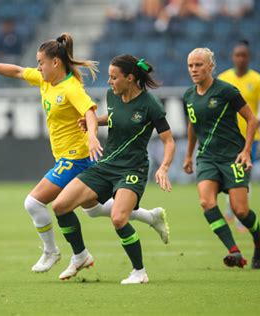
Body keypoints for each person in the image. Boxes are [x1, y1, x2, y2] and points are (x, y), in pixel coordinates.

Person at [0, 34, 170, 274]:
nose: (38, 67)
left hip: (78, 157)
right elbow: (17, 71)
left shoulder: (71, 87)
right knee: (92, 209)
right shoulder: (46, 81)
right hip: (67, 156)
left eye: (41, 62)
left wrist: (92, 135)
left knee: (34, 202)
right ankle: (150, 217)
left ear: (55, 63)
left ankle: (53, 252)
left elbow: (90, 112)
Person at [52, 55, 175, 284]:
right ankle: (80, 256)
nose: (109, 82)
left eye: (113, 77)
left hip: (133, 169)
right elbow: (116, 117)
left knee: (119, 219)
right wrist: (96, 121)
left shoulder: (151, 105)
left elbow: (168, 141)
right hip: (106, 165)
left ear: (130, 78)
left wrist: (164, 167)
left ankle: (139, 272)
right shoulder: (112, 95)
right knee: (60, 206)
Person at [182, 48, 260, 269]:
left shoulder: (227, 91)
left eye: (199, 65)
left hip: (233, 157)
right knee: (206, 202)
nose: (194, 69)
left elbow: (251, 120)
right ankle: (234, 251)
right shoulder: (188, 96)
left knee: (240, 211)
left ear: (211, 66)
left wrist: (246, 150)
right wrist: (189, 155)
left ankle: (259, 240)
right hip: (207, 157)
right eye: (190, 65)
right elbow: (193, 125)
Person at [218, 40, 260, 232]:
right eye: (237, 55)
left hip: (249, 139)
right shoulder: (224, 78)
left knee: (243, 177)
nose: (240, 58)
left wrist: (256, 126)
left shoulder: (257, 80)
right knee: (227, 175)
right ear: (232, 57)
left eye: (243, 55)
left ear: (249, 57)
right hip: (228, 137)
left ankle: (240, 218)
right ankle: (230, 211)